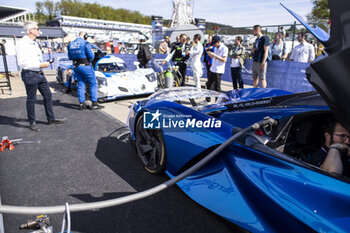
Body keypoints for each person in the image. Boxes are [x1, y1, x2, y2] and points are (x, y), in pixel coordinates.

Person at [16, 21, 64, 132]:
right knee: (31, 99)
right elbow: (22, 63)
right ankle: (32, 122)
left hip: (39, 73)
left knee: (48, 95)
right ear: (31, 30)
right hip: (30, 74)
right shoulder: (22, 43)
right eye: (37, 29)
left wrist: (43, 64)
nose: (39, 30)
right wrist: (40, 65)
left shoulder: (34, 42)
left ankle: (51, 119)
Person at [67, 31, 104, 110]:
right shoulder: (85, 43)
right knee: (93, 83)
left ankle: (81, 103)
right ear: (85, 36)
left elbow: (70, 57)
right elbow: (91, 56)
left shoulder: (70, 44)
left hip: (76, 66)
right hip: (86, 66)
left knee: (80, 83)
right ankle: (94, 103)